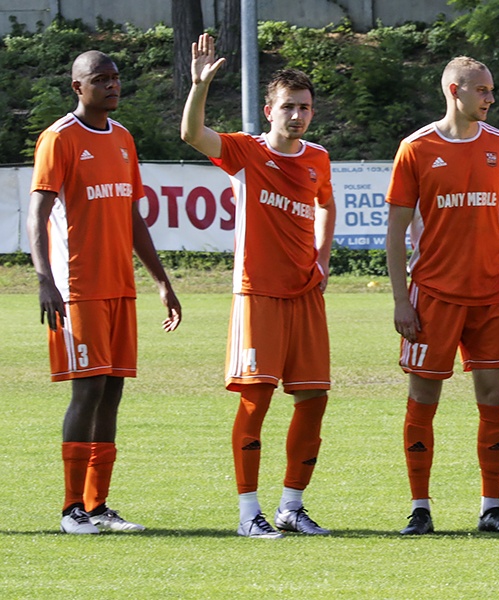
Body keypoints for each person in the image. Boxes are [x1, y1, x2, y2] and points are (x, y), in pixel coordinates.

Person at [181, 34, 336, 539]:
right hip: (258, 295)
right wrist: (200, 86)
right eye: (288, 107)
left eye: (305, 108)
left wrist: (322, 258)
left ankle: (292, 505)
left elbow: (326, 206)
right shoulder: (245, 152)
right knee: (255, 401)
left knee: (313, 399)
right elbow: (191, 133)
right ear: (269, 110)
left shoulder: (318, 159)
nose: (297, 115)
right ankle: (249, 513)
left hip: (305, 295)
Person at [27, 50, 182, 534]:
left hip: (120, 287)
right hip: (77, 287)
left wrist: (161, 281)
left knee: (111, 393)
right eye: (101, 79)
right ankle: (72, 508)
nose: (113, 85)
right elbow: (35, 214)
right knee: (88, 389)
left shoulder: (122, 139)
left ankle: (98, 506)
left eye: (116, 78)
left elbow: (134, 217)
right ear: (78, 87)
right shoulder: (59, 139)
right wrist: (43, 279)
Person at [386, 56, 499, 535]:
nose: (490, 99)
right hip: (432, 294)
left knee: (493, 398)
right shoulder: (416, 148)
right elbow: (392, 233)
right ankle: (420, 508)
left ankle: (490, 508)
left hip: (490, 294)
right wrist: (399, 299)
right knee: (423, 396)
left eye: (491, 90)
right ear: (456, 91)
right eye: (482, 91)